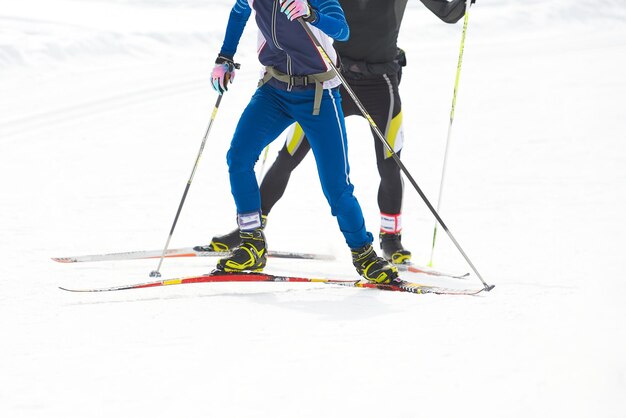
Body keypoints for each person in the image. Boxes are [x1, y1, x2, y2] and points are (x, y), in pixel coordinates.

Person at [202, 0, 472, 265]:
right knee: (287, 157)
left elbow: (449, 12)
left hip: (379, 82)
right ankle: (250, 231)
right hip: (329, 79)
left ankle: (390, 239)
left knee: (388, 164)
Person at [210, 0, 399, 284]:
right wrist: (224, 57)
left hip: (318, 94)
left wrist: (312, 14)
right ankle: (252, 243)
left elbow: (342, 30)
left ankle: (364, 255)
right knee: (238, 157)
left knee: (337, 187)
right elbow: (240, 11)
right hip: (274, 90)